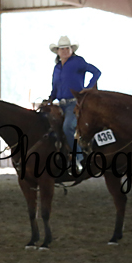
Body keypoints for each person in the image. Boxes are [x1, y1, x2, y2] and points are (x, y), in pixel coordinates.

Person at [46, 35, 101, 167]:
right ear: (58, 51)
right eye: (62, 49)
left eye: (67, 48)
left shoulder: (78, 62)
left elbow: (96, 72)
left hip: (74, 103)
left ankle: (79, 157)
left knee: (68, 126)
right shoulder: (57, 67)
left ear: (72, 50)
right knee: (47, 125)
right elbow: (55, 87)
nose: (65, 51)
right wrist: (50, 99)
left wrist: (88, 89)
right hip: (60, 103)